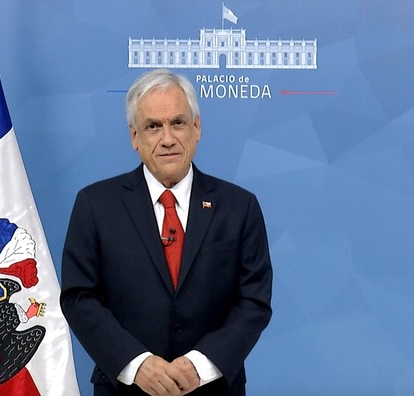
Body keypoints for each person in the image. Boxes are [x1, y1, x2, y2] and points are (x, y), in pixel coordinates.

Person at [60, 69, 272, 396]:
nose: (168, 138)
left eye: (178, 122)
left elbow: (254, 301)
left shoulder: (239, 207)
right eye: (153, 127)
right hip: (125, 388)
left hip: (213, 389)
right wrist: (137, 364)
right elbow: (79, 298)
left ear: (197, 128)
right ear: (134, 136)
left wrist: (201, 365)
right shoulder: (95, 205)